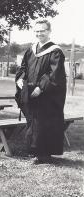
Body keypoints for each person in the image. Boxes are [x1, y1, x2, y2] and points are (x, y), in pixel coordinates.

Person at [15, 18, 67, 163]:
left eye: (42, 31)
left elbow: (55, 74)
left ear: (49, 31)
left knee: (44, 122)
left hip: (47, 95)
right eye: (37, 31)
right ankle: (34, 152)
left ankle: (44, 155)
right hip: (30, 92)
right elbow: (23, 68)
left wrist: (41, 87)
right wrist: (20, 78)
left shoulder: (55, 51)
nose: (39, 33)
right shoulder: (31, 50)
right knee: (33, 121)